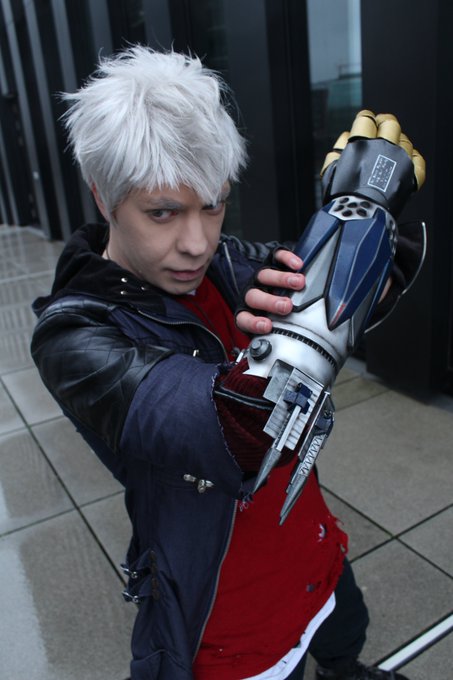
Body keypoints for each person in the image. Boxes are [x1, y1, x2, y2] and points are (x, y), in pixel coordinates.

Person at [30, 46, 423, 680]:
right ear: (105, 198)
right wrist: (313, 315)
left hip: (310, 545)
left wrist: (362, 214)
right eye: (162, 212)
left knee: (344, 639)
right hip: (227, 610)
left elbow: (356, 289)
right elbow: (232, 430)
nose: (196, 242)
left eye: (212, 205)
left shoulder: (227, 261)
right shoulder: (74, 332)